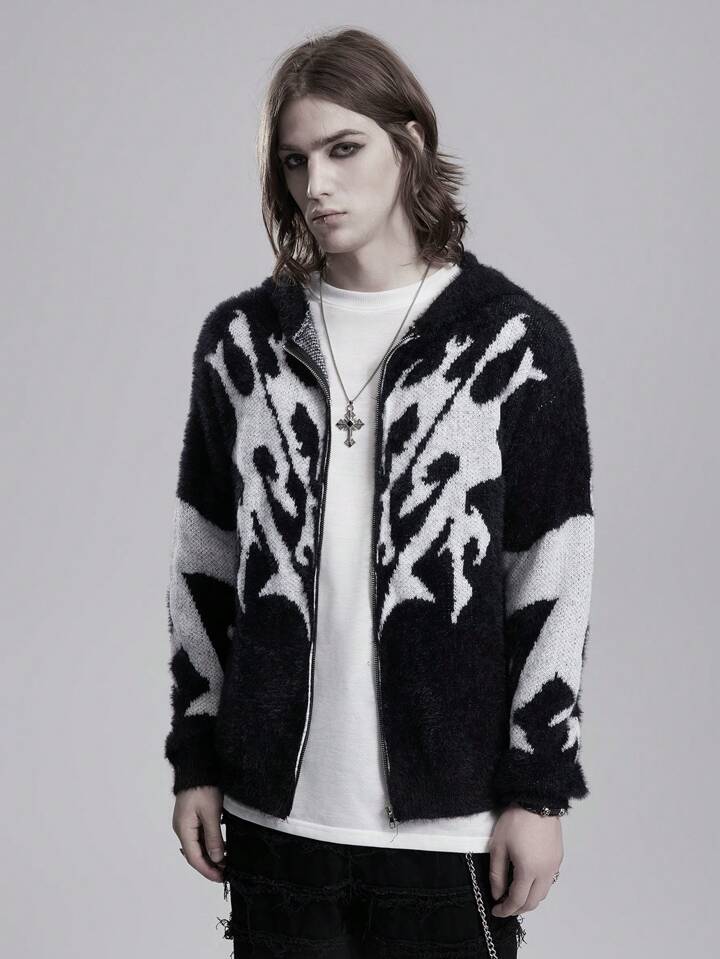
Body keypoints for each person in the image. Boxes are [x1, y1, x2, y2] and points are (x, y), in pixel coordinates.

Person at [164, 27, 595, 958]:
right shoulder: (243, 344)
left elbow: (552, 575)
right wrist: (195, 758)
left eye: (343, 148)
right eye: (294, 161)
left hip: (446, 833)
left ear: (410, 143)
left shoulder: (514, 345)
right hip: (274, 825)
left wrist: (540, 789)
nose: (316, 184)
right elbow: (206, 560)